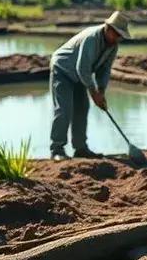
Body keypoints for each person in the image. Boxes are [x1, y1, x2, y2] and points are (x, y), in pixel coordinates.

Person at [49, 11, 131, 160]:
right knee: (64, 109)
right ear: (108, 28)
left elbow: (104, 69)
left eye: (121, 36)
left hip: (79, 75)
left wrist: (101, 91)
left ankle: (80, 148)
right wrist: (93, 92)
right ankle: (57, 150)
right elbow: (83, 68)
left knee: (82, 109)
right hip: (63, 69)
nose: (119, 38)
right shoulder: (92, 38)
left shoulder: (113, 45)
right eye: (117, 34)